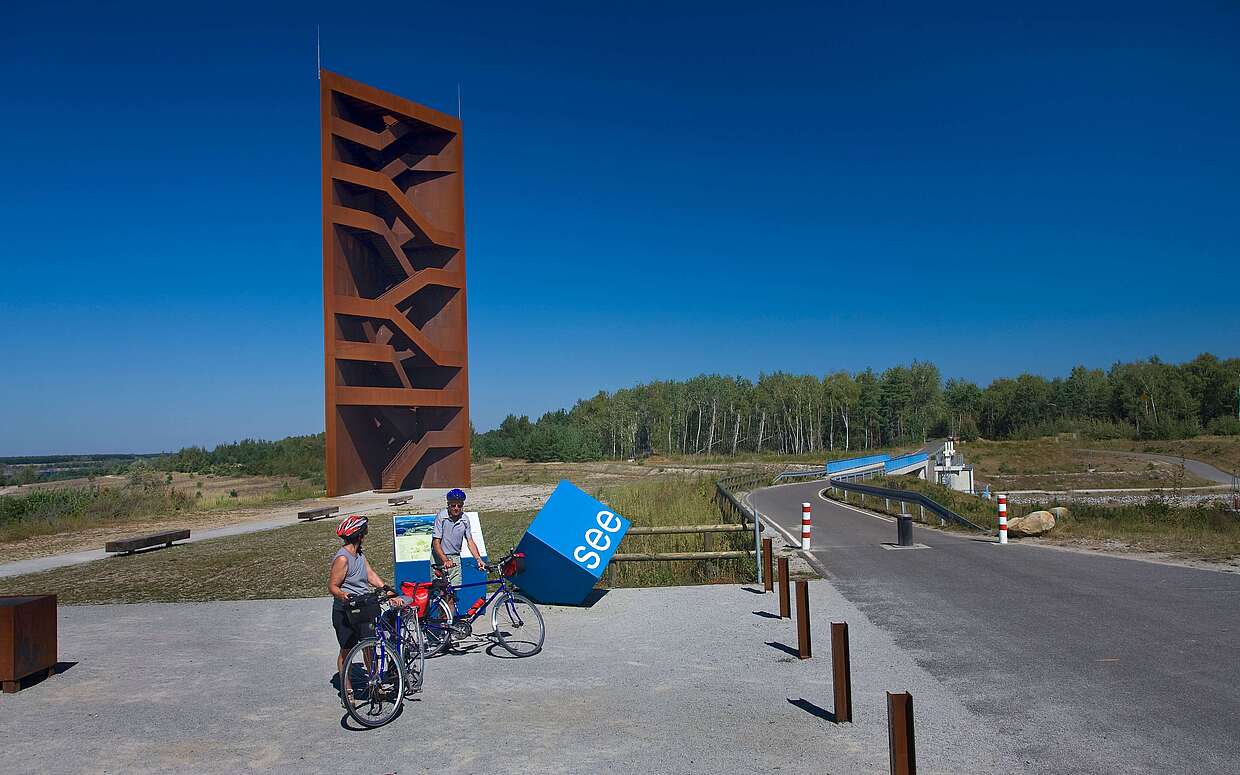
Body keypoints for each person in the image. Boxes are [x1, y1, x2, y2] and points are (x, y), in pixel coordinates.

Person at [328, 515, 405, 688]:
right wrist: (342, 595)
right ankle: (347, 689)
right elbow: (332, 586)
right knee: (347, 651)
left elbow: (370, 575)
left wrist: (387, 589)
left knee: (369, 647)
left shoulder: (359, 555)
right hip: (345, 610)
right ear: (360, 535)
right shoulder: (343, 558)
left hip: (363, 608)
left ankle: (374, 684)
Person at [431, 488, 485, 588]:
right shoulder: (441, 517)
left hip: (455, 557)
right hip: (439, 558)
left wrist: (478, 559)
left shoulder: (464, 519)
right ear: (448, 505)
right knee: (440, 591)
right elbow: (436, 542)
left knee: (453, 593)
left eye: (459, 505)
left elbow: (470, 542)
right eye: (453, 505)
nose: (456, 508)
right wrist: (445, 560)